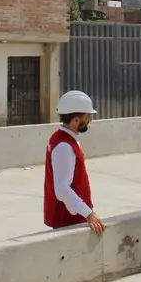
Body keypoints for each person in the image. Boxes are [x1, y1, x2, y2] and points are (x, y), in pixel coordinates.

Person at [44, 90, 105, 235]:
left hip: (73, 216)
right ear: (76, 120)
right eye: (87, 116)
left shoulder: (63, 138)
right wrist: (88, 213)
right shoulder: (64, 146)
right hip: (68, 219)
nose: (89, 120)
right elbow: (62, 189)